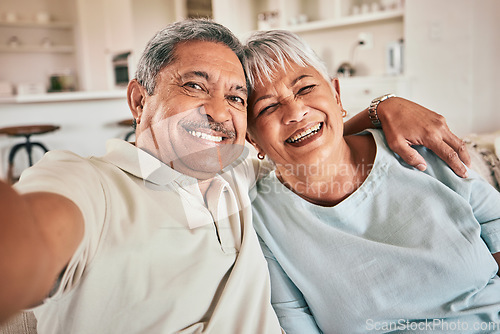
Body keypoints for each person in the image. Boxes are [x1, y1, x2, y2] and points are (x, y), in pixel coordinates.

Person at [0, 19, 470, 333]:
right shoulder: (89, 183)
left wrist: (381, 108)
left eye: (238, 98)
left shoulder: (243, 176)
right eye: (194, 86)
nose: (218, 113)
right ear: (140, 102)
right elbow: (37, 237)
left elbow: (307, 138)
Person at [243, 30, 500, 334]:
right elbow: (294, 320)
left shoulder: (414, 148)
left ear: (337, 95)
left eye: (306, 88)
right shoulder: (261, 218)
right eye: (267, 107)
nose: (295, 112)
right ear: (252, 138)